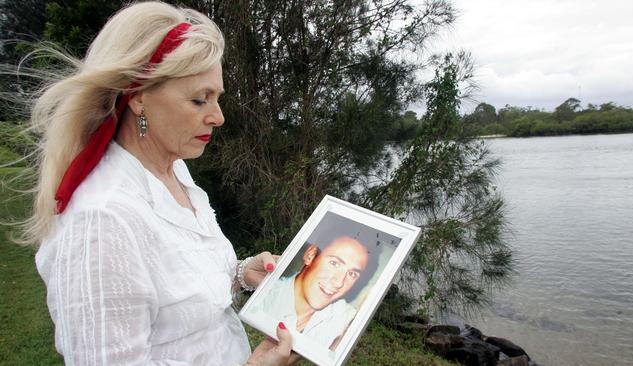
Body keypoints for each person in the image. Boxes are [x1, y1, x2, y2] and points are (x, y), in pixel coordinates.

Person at [23, 2, 298, 365]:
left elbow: (177, 294)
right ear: (138, 98)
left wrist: (240, 274)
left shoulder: (174, 171)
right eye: (199, 99)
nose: (218, 117)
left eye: (217, 98)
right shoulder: (102, 223)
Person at [255, 236, 377, 350]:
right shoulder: (266, 294)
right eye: (334, 263)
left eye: (352, 274)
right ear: (310, 255)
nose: (339, 282)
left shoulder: (344, 317)